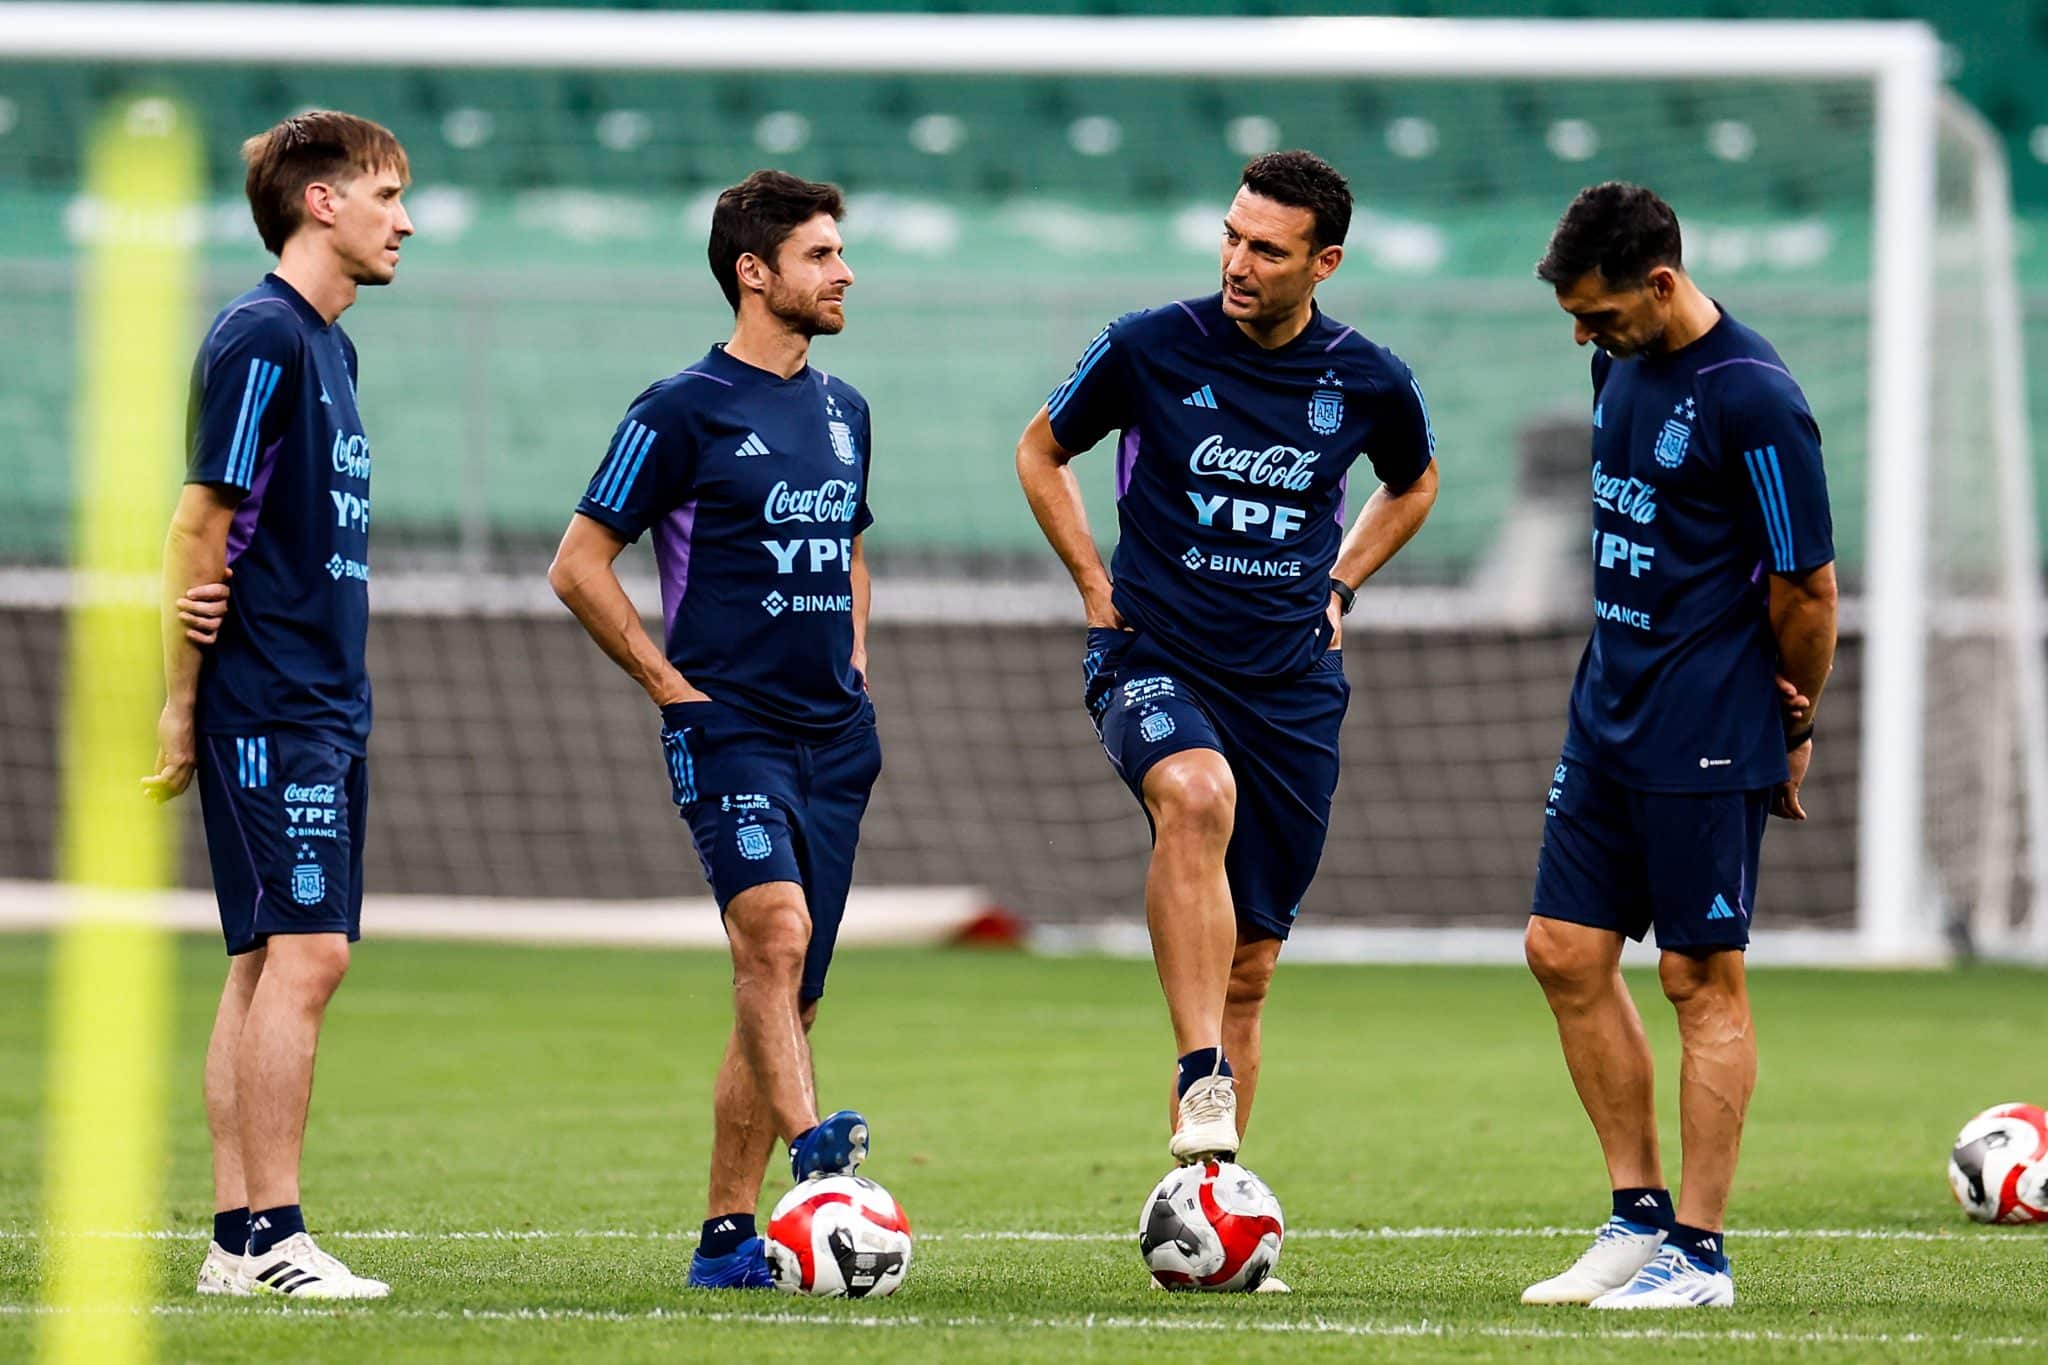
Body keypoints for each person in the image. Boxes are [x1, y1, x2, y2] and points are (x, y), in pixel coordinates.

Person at [1015, 151, 1439, 1214]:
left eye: (1267, 248)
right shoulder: (1148, 345)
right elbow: (1038, 451)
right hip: (1152, 655)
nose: (1237, 263)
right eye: (1231, 236)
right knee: (1194, 794)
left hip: (1289, 686)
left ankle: (1209, 1208)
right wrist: (1088, 580)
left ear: (1323, 263)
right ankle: (1197, 1075)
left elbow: (1414, 480)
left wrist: (1341, 587)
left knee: (1249, 967)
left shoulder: (1367, 379)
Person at [548, 170, 881, 1291]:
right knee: (770, 939)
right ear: (754, 271)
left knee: (790, 989)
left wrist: (857, 661)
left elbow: (847, 546)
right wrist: (667, 685)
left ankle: (726, 1242)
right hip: (725, 726)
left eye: (840, 254)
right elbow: (577, 564)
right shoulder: (677, 409)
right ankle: (817, 1165)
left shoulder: (846, 412)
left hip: (834, 740)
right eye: (821, 255)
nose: (844, 273)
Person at [1519, 182, 1838, 1311]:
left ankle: (1698, 1258)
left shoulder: (1751, 398)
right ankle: (1633, 1218)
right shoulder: (1618, 363)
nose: (1581, 337)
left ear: (1659, 283)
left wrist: (1790, 721)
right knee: (1560, 949)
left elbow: (1805, 584)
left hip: (1705, 720)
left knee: (1696, 977)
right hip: (1606, 703)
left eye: (1596, 314)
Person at [143, 111, 413, 1299]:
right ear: (321, 203)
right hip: (270, 701)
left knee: (262, 961)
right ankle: (273, 1241)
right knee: (307, 953)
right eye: (387, 194)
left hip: (321, 698)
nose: (403, 220)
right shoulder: (261, 334)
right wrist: (178, 701)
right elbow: (198, 521)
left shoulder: (331, 350)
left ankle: (232, 1239)